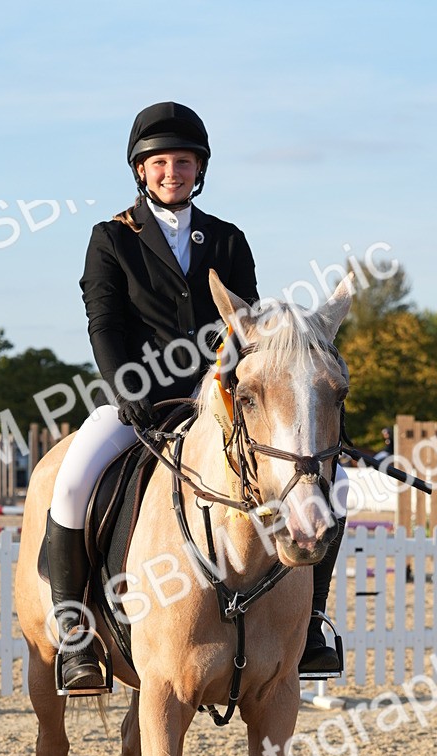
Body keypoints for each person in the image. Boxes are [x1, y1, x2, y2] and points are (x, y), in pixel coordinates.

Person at [47, 101, 344, 692]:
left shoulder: (228, 239)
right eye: (159, 163)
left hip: (219, 404)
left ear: (199, 168)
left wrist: (236, 391)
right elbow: (103, 323)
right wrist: (123, 385)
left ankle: (308, 624)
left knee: (323, 487)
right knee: (74, 478)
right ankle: (75, 631)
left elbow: (249, 331)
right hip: (138, 400)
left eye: (182, 161)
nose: (171, 172)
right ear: (141, 170)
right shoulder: (111, 238)